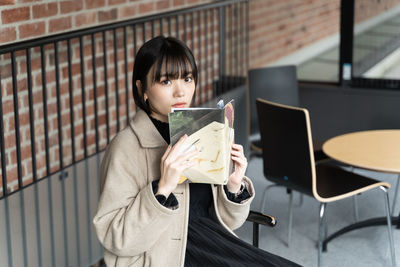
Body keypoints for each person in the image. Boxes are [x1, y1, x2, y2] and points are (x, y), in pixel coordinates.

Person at [93, 36, 299, 267]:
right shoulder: (126, 147)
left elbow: (230, 222)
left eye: (187, 78)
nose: (181, 92)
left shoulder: (202, 130)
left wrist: (232, 187)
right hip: (163, 258)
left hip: (212, 245)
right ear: (143, 89)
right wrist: (162, 190)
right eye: (166, 82)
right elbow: (115, 239)